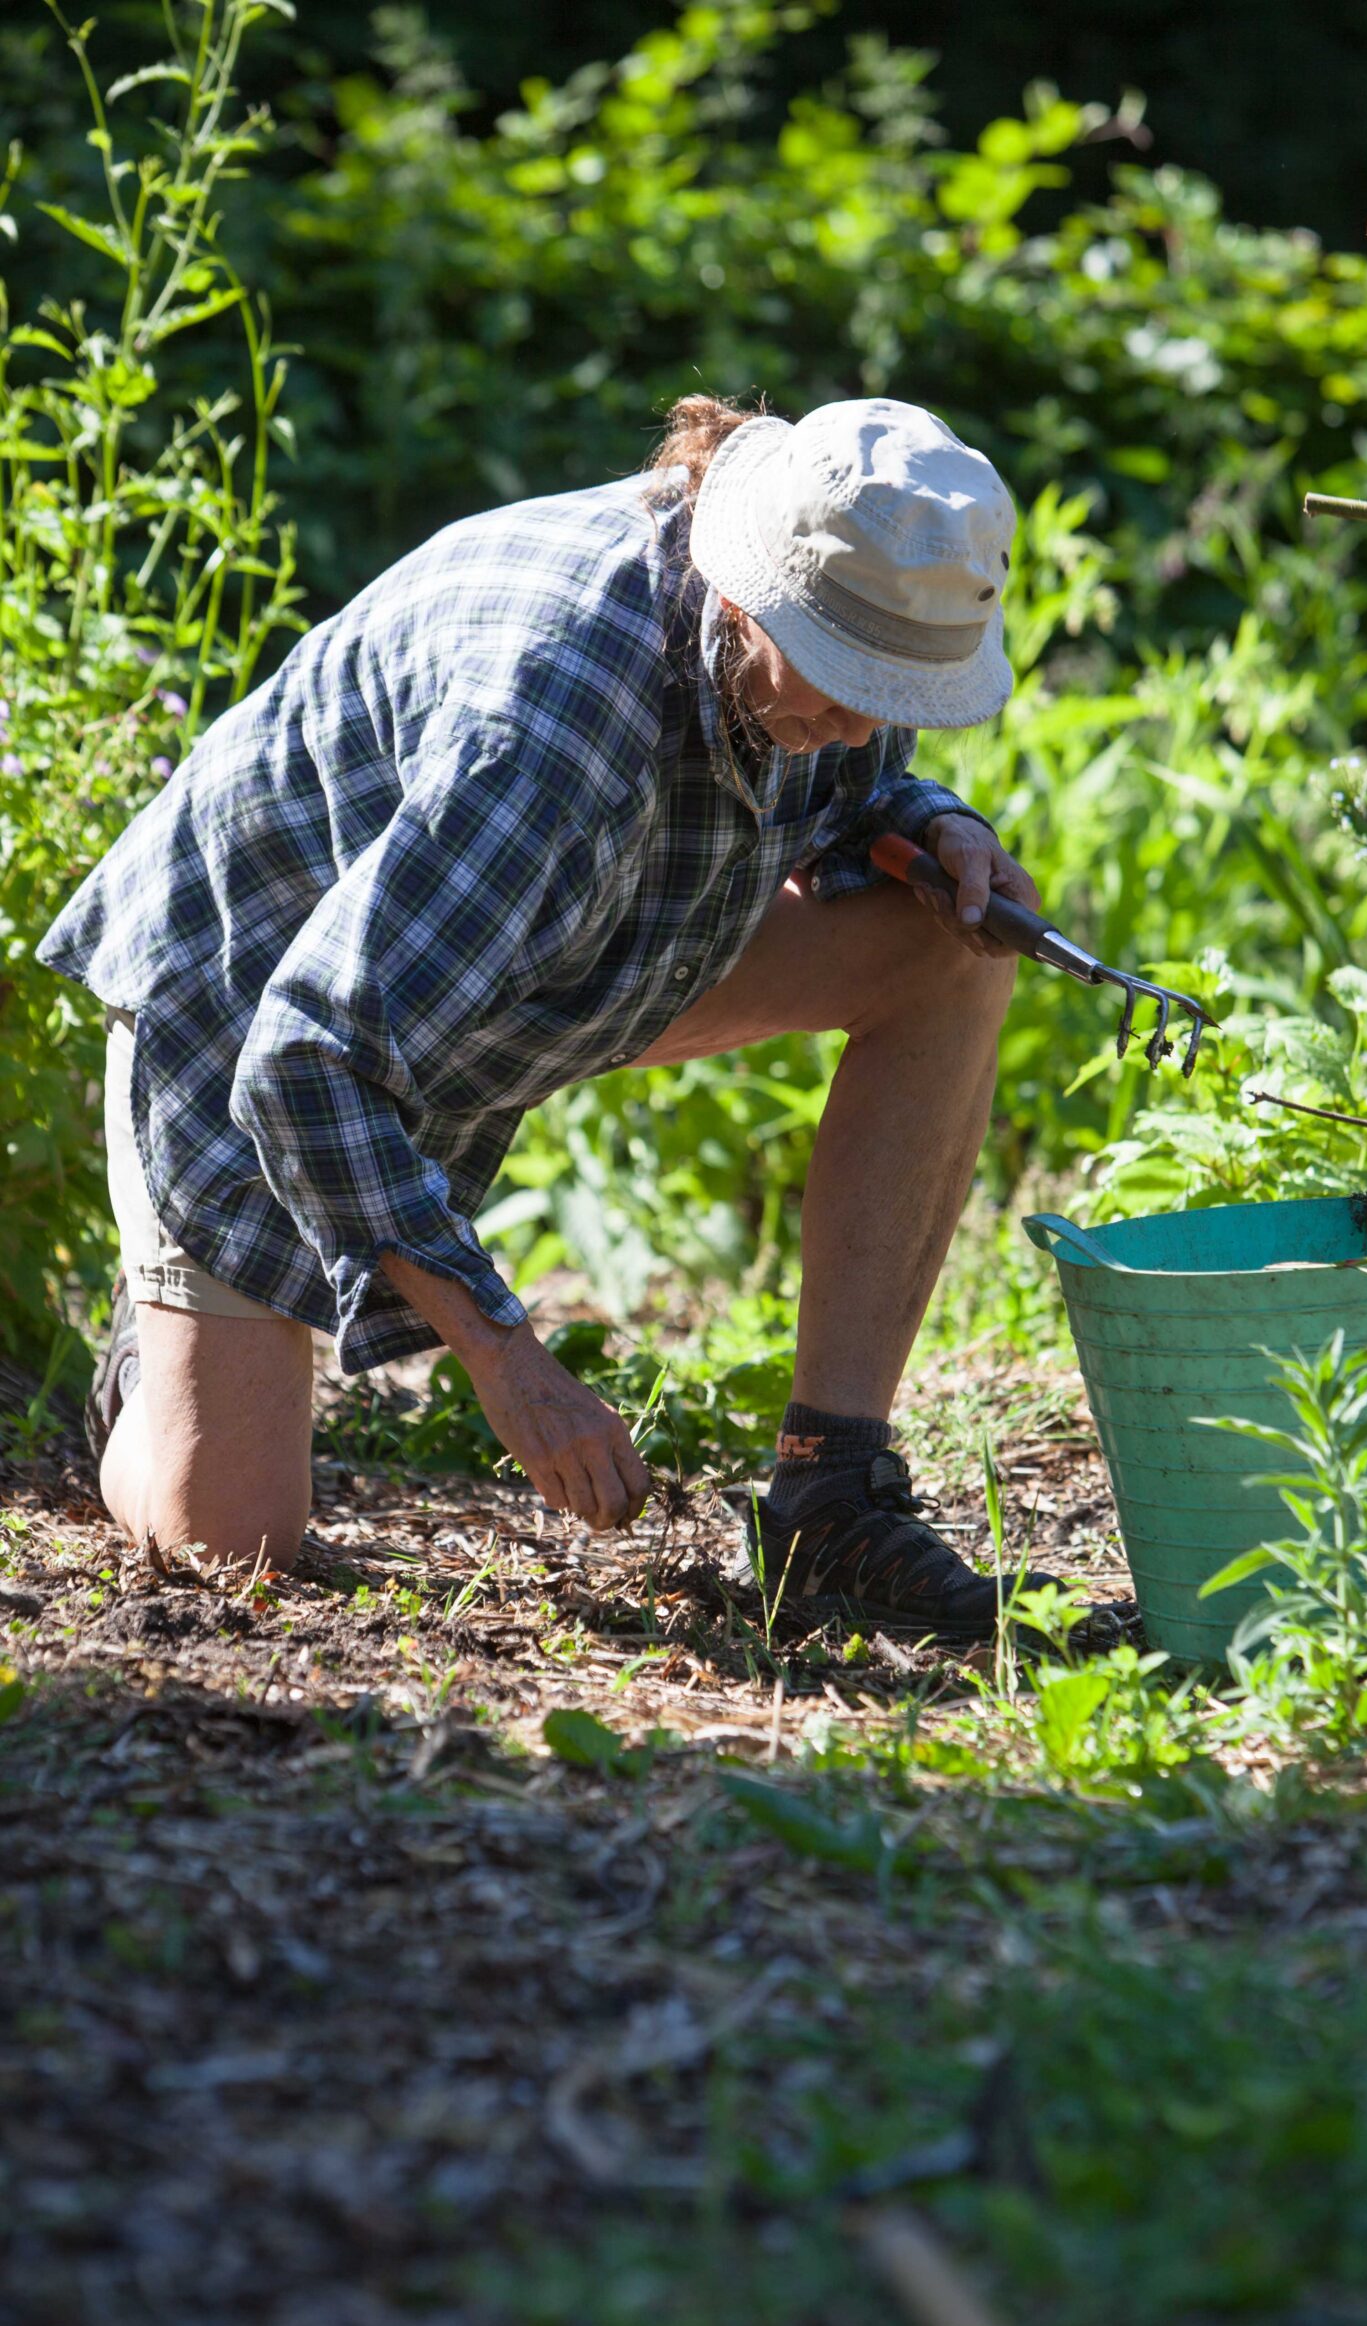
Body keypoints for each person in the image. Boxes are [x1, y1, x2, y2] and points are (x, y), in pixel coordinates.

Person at [38, 392, 1049, 1640]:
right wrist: (506, 1358)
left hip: (553, 955)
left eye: (893, 691)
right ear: (746, 598)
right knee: (232, 1543)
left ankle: (831, 1490)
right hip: (250, 995)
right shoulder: (548, 723)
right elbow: (306, 1052)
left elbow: (851, 784)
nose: (859, 723)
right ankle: (151, 1360)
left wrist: (936, 827)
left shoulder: (819, 634)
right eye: (843, 682)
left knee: (950, 949)